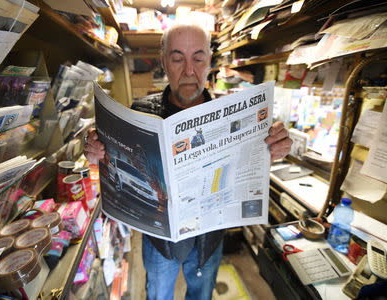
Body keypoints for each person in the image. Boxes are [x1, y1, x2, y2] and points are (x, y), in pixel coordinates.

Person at [85, 23, 293, 300]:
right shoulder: (140, 112)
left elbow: (247, 170)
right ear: (163, 63)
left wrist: (273, 148)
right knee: (158, 294)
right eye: (177, 58)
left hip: (209, 240)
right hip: (160, 242)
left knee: (201, 295)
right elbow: (117, 165)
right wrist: (98, 152)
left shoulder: (234, 116)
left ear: (210, 62)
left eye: (198, 58)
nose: (189, 71)